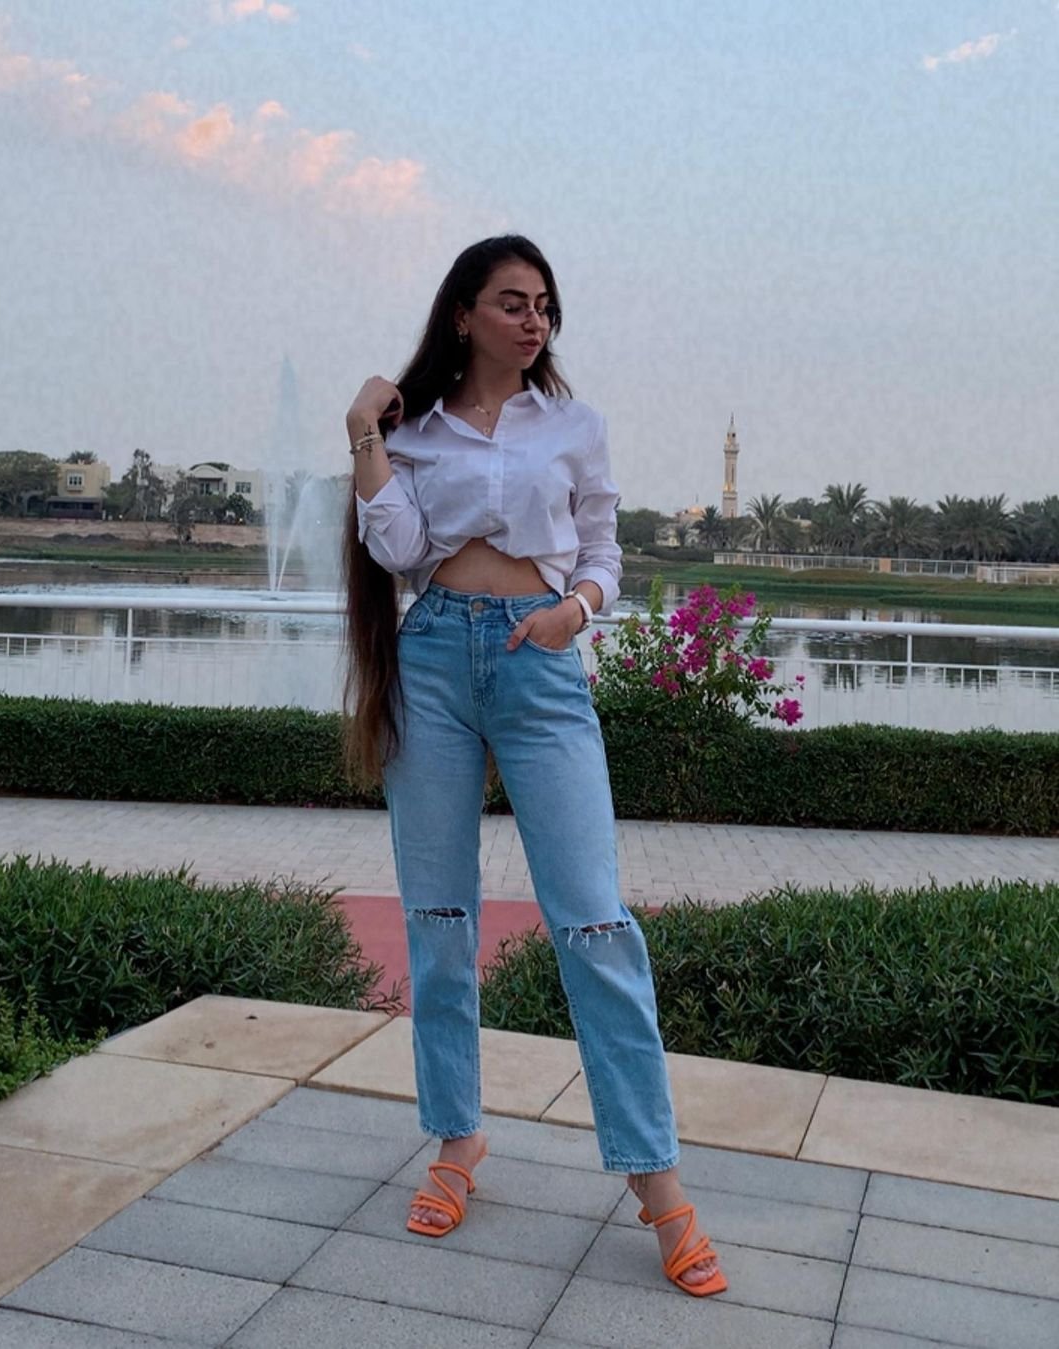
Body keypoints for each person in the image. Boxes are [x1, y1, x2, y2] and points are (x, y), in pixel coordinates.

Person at [341, 234, 726, 1298]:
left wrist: (576, 612)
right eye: (512, 301)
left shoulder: (574, 425)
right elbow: (397, 550)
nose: (534, 320)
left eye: (544, 305)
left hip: (540, 659)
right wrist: (365, 431)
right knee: (437, 917)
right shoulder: (414, 431)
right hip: (433, 658)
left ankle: (657, 1180)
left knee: (594, 919)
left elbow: (603, 550)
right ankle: (457, 1137)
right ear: (463, 313)